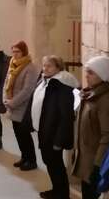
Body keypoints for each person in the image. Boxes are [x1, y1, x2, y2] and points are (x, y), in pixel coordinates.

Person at [72, 55, 109, 199]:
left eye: (91, 73)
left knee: (92, 194)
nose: (86, 76)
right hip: (86, 156)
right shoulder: (90, 95)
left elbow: (108, 136)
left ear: (102, 75)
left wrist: (97, 165)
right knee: (86, 193)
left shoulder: (107, 101)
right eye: (87, 71)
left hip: (94, 161)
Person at [30, 56, 79, 199]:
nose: (45, 68)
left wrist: (59, 141)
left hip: (54, 133)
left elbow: (66, 116)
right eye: (44, 65)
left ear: (59, 68)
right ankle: (56, 190)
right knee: (50, 162)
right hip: (45, 129)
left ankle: (62, 194)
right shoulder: (47, 81)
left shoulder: (61, 86)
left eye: (49, 66)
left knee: (55, 164)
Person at [3, 40, 39, 171]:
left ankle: (32, 160)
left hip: (22, 106)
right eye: (13, 51)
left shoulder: (30, 67)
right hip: (12, 105)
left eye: (17, 51)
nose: (15, 54)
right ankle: (24, 157)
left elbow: (27, 90)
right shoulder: (13, 64)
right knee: (18, 133)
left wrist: (12, 102)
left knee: (24, 134)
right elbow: (7, 81)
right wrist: (5, 99)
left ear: (24, 51)